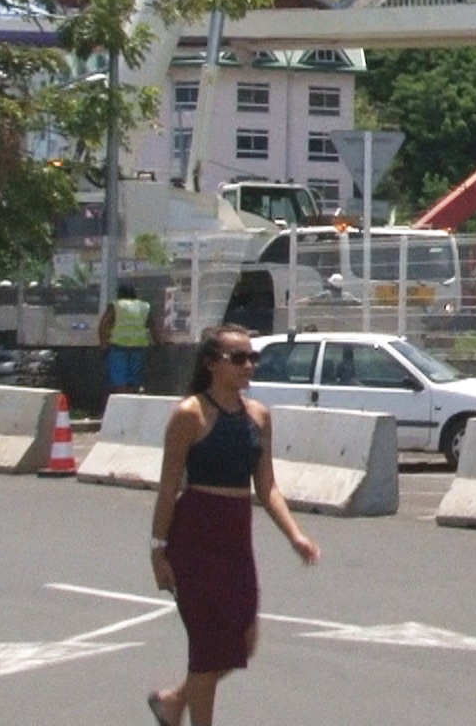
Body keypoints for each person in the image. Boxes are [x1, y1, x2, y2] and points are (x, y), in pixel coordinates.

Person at [147, 324, 320, 726]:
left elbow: (268, 487)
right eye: (238, 358)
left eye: (252, 357)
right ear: (211, 363)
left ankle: (174, 702)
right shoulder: (190, 415)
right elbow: (169, 486)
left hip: (236, 542)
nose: (248, 366)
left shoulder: (258, 417)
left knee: (243, 641)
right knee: (208, 651)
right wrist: (158, 551)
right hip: (195, 539)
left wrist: (295, 535)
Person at [101, 281, 163, 394]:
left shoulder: (116, 305)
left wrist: (104, 344)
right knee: (135, 382)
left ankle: (122, 407)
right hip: (138, 348)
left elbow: (104, 325)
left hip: (118, 347)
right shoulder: (144, 306)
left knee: (119, 382)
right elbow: (153, 327)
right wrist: (159, 343)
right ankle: (133, 405)